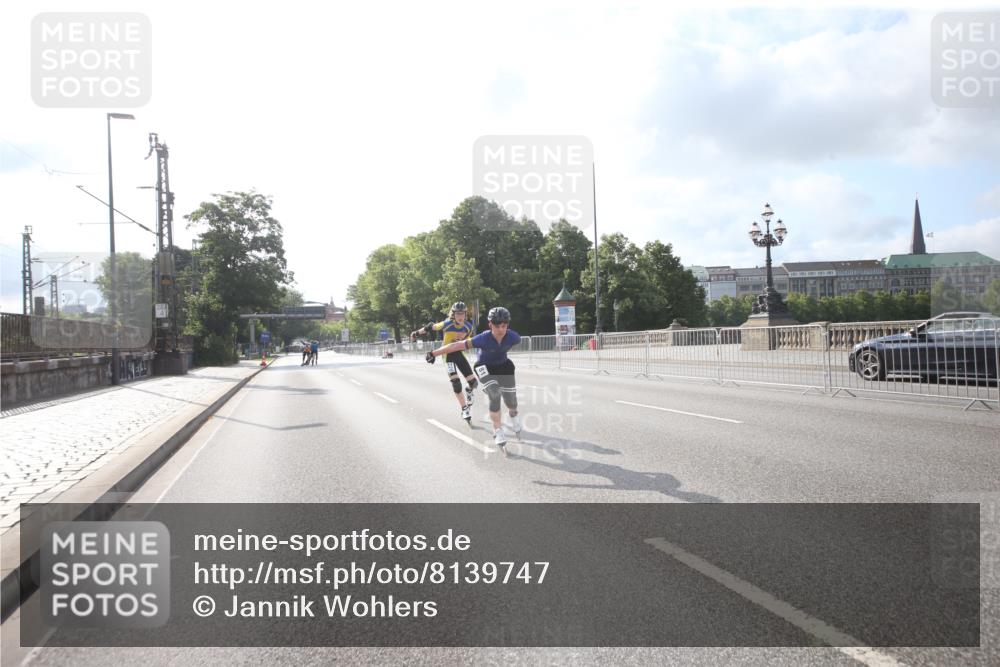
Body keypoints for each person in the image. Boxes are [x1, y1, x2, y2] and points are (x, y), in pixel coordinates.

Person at [426, 306, 520, 450]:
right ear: (490, 325)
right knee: (495, 395)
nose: (501, 330)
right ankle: (498, 430)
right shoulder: (483, 338)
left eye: (504, 326)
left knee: (511, 402)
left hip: (504, 366)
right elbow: (456, 345)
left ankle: (514, 415)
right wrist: (434, 353)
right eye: (497, 326)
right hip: (484, 366)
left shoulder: (514, 337)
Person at [411, 302, 478, 423]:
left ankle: (469, 391)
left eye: (462, 313)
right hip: (447, 355)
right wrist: (416, 333)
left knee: (473, 383)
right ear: (453, 314)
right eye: (457, 313)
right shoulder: (447, 324)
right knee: (456, 383)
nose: (460, 316)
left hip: (459, 354)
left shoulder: (468, 326)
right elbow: (430, 326)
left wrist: (464, 340)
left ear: (465, 314)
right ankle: (464, 408)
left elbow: (468, 340)